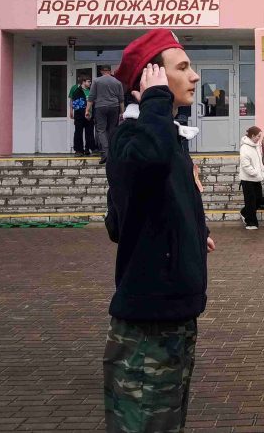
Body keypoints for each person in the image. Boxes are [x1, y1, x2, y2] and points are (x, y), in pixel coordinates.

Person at [103, 29, 214, 433]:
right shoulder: (135, 135)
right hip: (147, 325)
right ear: (151, 79)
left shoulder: (165, 138)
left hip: (174, 315)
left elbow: (130, 218)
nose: (194, 76)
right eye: (182, 67)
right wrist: (154, 102)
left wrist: (189, 232)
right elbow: (145, 167)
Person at [87, 64, 125, 164]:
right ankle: (112, 153)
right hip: (114, 106)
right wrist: (122, 112)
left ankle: (105, 152)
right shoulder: (117, 82)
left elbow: (91, 97)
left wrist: (87, 110)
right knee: (112, 129)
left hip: (100, 107)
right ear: (110, 71)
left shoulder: (96, 81)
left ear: (101, 71)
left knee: (101, 130)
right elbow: (121, 99)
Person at [239, 126, 264, 230]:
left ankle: (244, 212)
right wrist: (256, 173)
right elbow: (246, 165)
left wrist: (261, 170)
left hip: (257, 178)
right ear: (253, 135)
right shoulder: (244, 148)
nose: (259, 138)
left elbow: (259, 160)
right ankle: (251, 223)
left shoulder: (256, 145)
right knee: (250, 202)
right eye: (258, 136)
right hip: (248, 179)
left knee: (258, 200)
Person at [69, 75, 95, 156]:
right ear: (83, 82)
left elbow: (93, 102)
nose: (90, 83)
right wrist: (84, 113)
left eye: (90, 81)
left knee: (89, 133)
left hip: (90, 115)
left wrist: (91, 114)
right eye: (88, 81)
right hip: (80, 116)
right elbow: (76, 105)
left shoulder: (91, 91)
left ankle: (88, 149)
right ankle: (79, 150)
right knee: (78, 133)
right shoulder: (77, 91)